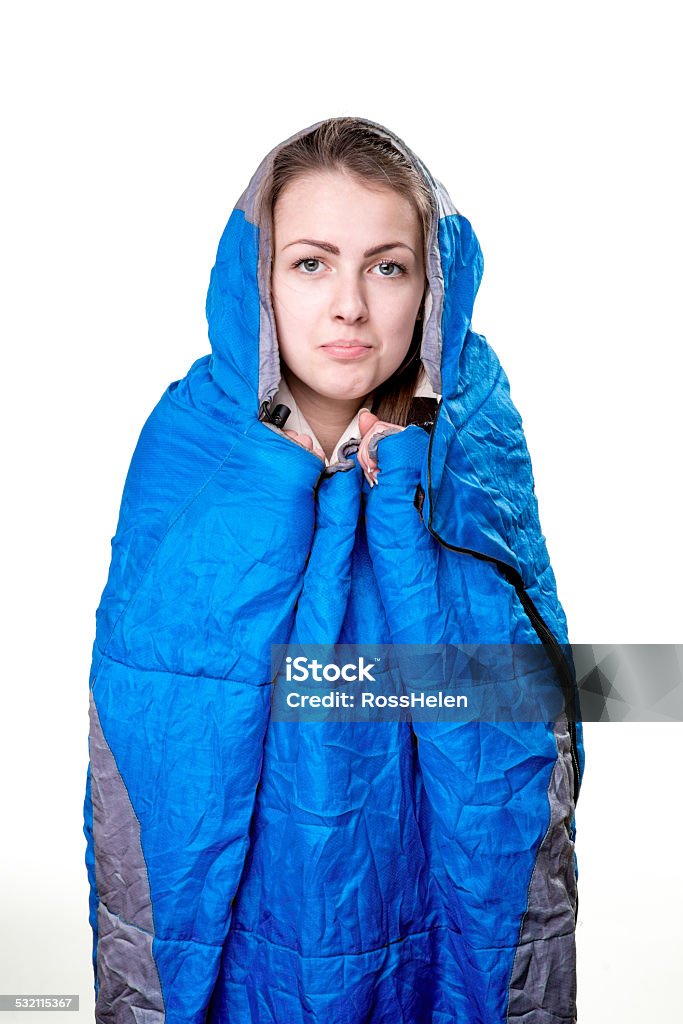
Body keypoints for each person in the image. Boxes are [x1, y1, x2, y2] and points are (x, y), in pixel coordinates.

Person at [83, 116, 584, 1023]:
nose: (348, 305)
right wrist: (284, 477)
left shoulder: (472, 442)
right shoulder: (190, 438)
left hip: (425, 898)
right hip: (244, 918)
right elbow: (148, 702)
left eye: (386, 266)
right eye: (311, 262)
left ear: (432, 287)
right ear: (258, 283)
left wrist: (394, 509)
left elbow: (521, 712)